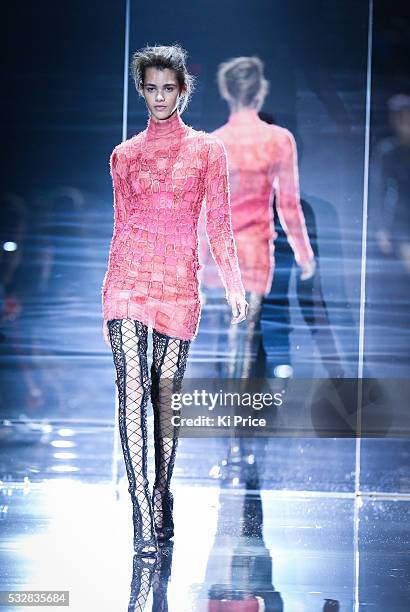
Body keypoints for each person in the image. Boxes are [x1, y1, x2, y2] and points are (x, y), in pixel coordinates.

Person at [100, 44, 247, 557]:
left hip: (179, 286)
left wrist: (232, 282)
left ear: (183, 90)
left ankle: (162, 493)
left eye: (169, 88)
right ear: (141, 91)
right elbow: (121, 228)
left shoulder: (208, 151)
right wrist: (107, 300)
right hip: (127, 281)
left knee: (163, 400)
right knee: (132, 390)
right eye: (151, 88)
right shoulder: (124, 155)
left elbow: (219, 222)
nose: (160, 97)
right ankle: (143, 512)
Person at [199, 56, 316, 380]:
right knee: (246, 331)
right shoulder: (279, 140)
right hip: (254, 250)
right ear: (260, 91)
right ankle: (238, 409)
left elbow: (206, 209)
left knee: (225, 333)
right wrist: (303, 253)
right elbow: (288, 205)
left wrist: (197, 259)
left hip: (219, 252)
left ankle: (229, 404)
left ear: (226, 91)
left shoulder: (214, 142)